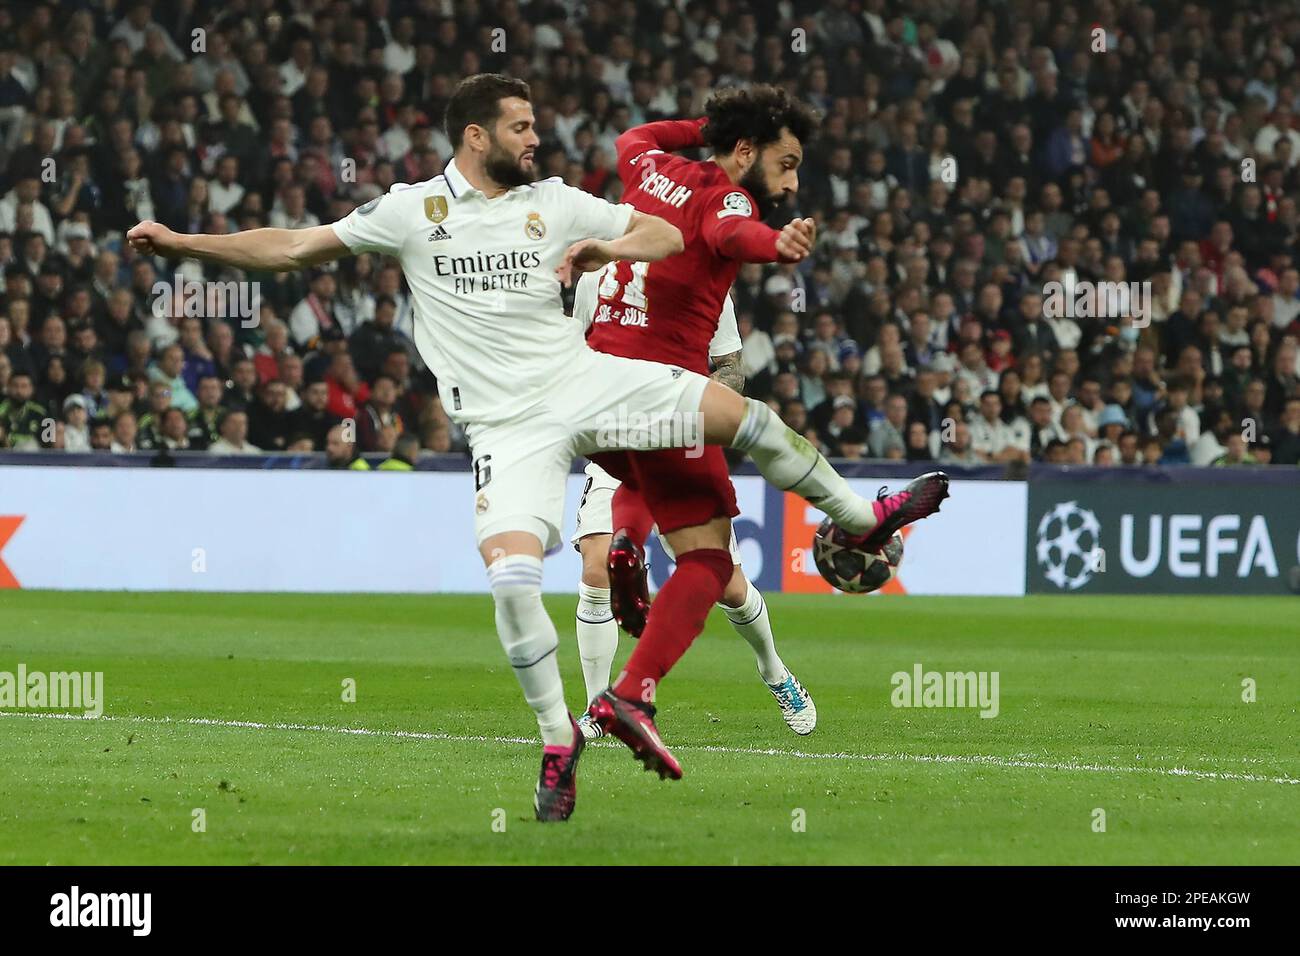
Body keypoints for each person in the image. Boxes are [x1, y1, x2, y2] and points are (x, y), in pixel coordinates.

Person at [127, 73, 942, 823]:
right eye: (520, 127)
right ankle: (561, 740)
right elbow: (294, 246)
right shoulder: (411, 212)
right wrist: (183, 244)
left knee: (741, 414)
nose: (535, 140)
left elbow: (661, 236)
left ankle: (862, 515)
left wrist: (604, 247)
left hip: (585, 379)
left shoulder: (554, 199)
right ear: (475, 137)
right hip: (508, 428)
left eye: (535, 127)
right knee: (513, 579)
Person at [577, 87, 947, 780]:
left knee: (642, 481)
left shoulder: (645, 166)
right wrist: (776, 244)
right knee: (713, 555)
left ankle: (628, 550)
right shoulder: (727, 196)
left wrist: (709, 126)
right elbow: (729, 232)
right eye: (786, 162)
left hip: (590, 389)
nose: (792, 181)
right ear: (746, 152)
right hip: (660, 393)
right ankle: (864, 518)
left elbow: (635, 134)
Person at [570, 275, 816, 739]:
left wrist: (688, 403)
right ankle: (599, 709)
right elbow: (577, 356)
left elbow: (731, 368)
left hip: (681, 446)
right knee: (596, 565)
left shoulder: (705, 283)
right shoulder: (596, 277)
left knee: (730, 587)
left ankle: (775, 672)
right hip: (618, 442)